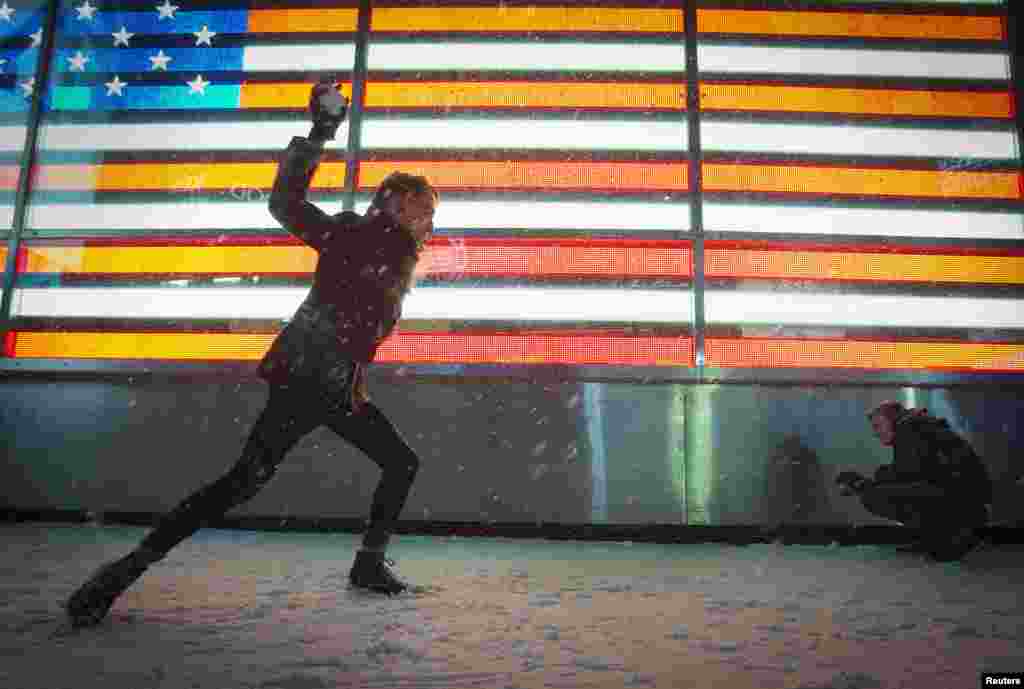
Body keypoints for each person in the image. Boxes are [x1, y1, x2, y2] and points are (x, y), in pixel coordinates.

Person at [65, 80, 438, 628]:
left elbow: (354, 316)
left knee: (248, 483)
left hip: (322, 383)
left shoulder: (380, 245)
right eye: (423, 209)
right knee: (259, 481)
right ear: (396, 205)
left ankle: (122, 573)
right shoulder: (364, 236)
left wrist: (353, 374)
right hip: (317, 382)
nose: (430, 220)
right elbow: (288, 209)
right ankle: (121, 573)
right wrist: (320, 133)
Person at [835, 400, 992, 562]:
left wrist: (861, 485)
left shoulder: (909, 430)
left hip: (964, 512)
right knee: (885, 485)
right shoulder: (918, 427)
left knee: (874, 496)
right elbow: (918, 475)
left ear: (892, 420)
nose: (875, 433)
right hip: (970, 508)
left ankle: (942, 542)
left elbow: (911, 480)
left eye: (877, 426)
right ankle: (934, 540)